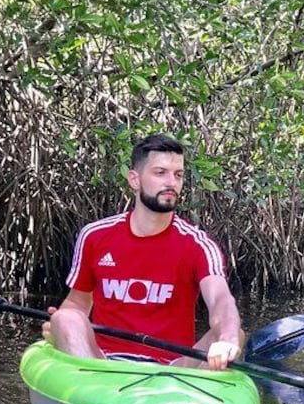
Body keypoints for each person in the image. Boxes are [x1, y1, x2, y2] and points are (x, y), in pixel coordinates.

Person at [42, 133, 243, 370]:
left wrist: (227, 337)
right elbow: (77, 302)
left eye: (178, 175)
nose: (171, 183)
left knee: (234, 333)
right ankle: (98, 395)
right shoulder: (95, 235)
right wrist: (60, 326)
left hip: (173, 367)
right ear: (134, 180)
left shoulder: (198, 244)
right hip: (102, 362)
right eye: (160, 173)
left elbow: (220, 299)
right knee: (65, 318)